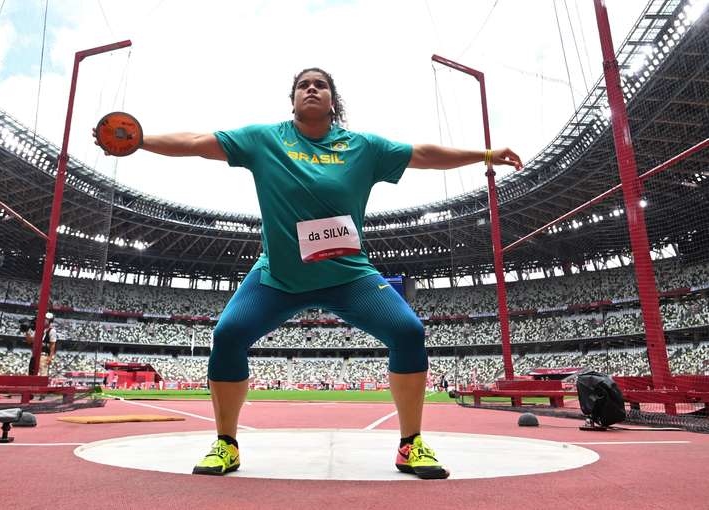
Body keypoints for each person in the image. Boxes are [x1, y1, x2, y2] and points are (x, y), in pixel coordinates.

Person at [96, 67, 522, 479]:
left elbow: (423, 154)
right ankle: (225, 442)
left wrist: (485, 155)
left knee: (408, 332)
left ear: (333, 100)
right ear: (293, 99)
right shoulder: (265, 140)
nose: (312, 89)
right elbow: (196, 141)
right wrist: (140, 141)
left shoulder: (362, 147)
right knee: (227, 336)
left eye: (320, 85)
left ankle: (411, 444)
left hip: (349, 276)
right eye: (304, 85)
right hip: (278, 278)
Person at [24, 312, 57, 377]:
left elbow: (52, 345)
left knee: (42, 374)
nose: (45, 320)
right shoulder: (38, 329)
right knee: (31, 374)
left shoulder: (51, 331)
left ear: (50, 321)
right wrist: (27, 332)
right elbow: (29, 341)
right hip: (35, 355)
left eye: (47, 319)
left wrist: (50, 357)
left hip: (43, 355)